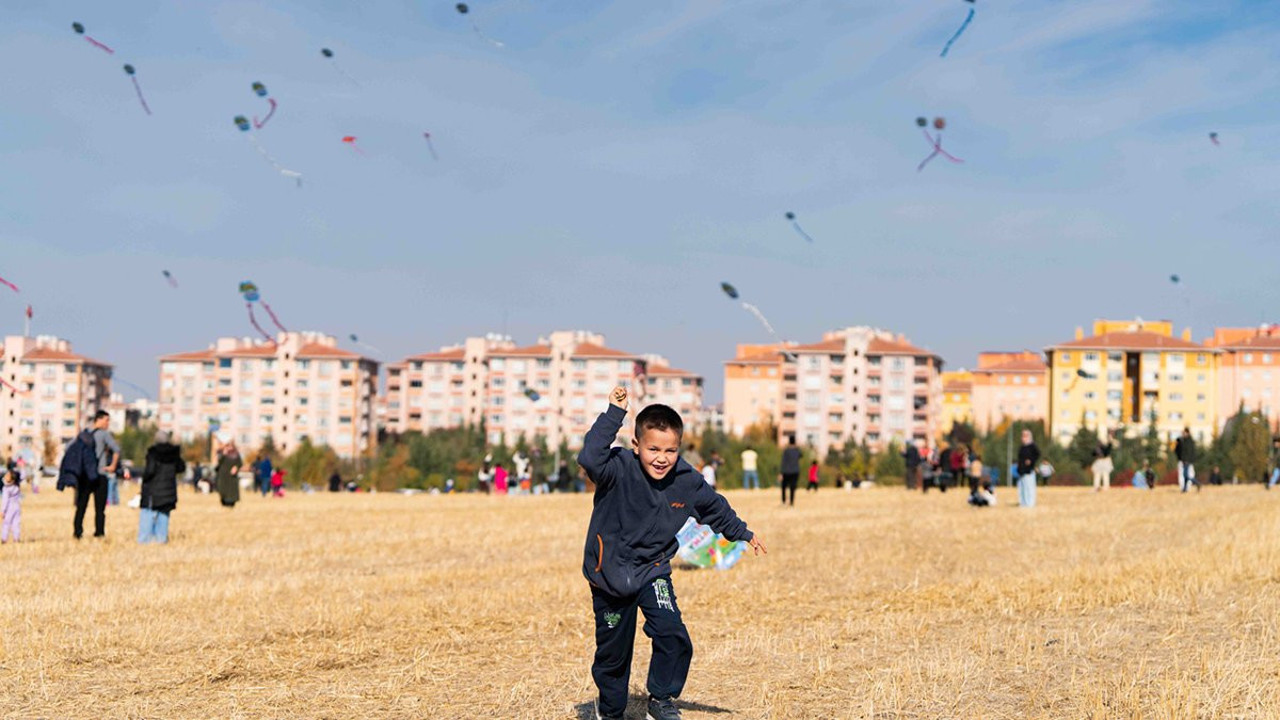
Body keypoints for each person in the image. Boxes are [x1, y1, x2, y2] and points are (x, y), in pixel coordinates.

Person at [579, 387, 765, 720]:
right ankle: (609, 712)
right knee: (614, 655)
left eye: (670, 450)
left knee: (672, 634)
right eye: (653, 449)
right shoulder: (617, 468)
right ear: (636, 446)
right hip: (610, 573)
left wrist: (743, 533)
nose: (662, 458)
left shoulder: (686, 481)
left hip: (653, 569)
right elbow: (590, 457)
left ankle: (661, 699)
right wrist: (614, 414)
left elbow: (715, 509)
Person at [75, 410, 117, 539]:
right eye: (106, 420)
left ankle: (78, 532)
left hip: (84, 475)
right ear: (99, 420)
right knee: (100, 508)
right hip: (100, 474)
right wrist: (113, 466)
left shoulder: (83, 434)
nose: (108, 423)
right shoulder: (104, 434)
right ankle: (99, 532)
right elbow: (117, 449)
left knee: (81, 506)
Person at [138, 430, 184, 544]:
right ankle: (161, 540)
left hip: (153, 490)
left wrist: (144, 478)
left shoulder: (153, 453)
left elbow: (150, 471)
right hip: (169, 491)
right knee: (164, 515)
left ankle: (145, 541)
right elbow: (181, 468)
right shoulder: (174, 453)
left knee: (148, 515)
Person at [1016, 429, 1040, 508]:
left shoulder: (1032, 446)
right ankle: (1023, 503)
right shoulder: (1022, 447)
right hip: (1021, 471)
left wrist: (1030, 460)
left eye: (1025, 436)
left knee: (1029, 488)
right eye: (1023, 436)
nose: (1023, 438)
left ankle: (1030, 504)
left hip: (1029, 471)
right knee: (1022, 489)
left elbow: (1037, 454)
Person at [215, 439, 242, 508]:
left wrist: (236, 467)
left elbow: (240, 463)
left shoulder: (236, 454)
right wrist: (224, 454)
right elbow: (219, 462)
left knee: (232, 491)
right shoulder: (221, 453)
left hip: (232, 476)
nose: (229, 448)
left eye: (231, 446)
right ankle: (224, 502)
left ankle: (231, 504)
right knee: (223, 489)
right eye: (228, 446)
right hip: (223, 475)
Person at [1174, 428, 1200, 493]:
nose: (1183, 434)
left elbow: (1188, 452)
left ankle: (1196, 483)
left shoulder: (1189, 442)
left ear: (1187, 433)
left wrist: (1186, 460)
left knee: (1186, 475)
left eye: (1184, 433)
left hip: (1187, 461)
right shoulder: (1184, 441)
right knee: (1185, 475)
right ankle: (1185, 489)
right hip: (1184, 460)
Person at [1, 468, 22, 543]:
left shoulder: (6, 489)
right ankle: (16, 538)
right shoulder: (16, 487)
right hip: (17, 507)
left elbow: (5, 501)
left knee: (6, 523)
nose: (5, 476)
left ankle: (4, 539)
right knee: (16, 523)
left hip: (9, 508)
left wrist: (2, 511)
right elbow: (20, 497)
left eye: (7, 475)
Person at [779, 435, 800, 506]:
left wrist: (781, 472)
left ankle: (784, 501)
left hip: (786, 471)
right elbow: (801, 455)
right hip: (795, 471)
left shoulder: (786, 451)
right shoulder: (797, 451)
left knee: (784, 487)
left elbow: (783, 462)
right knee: (792, 488)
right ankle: (791, 502)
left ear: (789, 441)